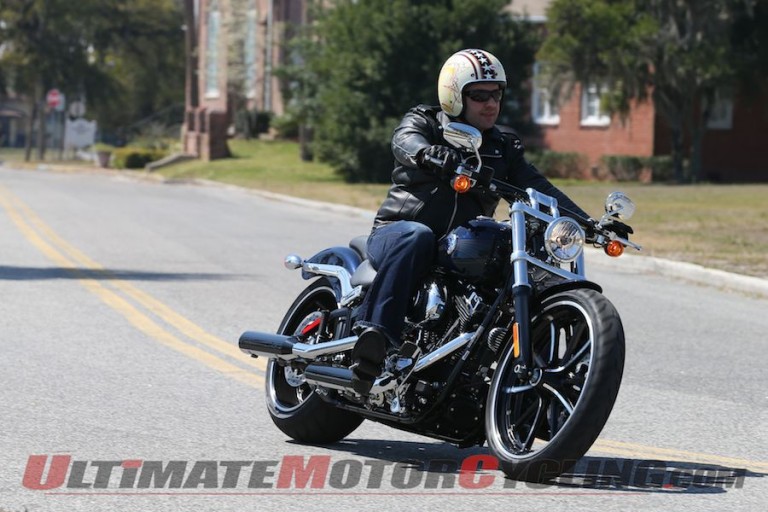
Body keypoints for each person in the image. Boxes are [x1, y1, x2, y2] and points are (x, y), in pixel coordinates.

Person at [350, 48, 591, 395]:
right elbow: (404, 141)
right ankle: (375, 338)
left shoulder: (503, 147)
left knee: (510, 258)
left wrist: (588, 222)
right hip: (397, 234)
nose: (491, 104)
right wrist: (427, 153)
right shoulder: (426, 123)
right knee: (418, 235)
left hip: (455, 247)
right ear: (454, 96)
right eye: (479, 96)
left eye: (496, 94)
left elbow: (538, 187)